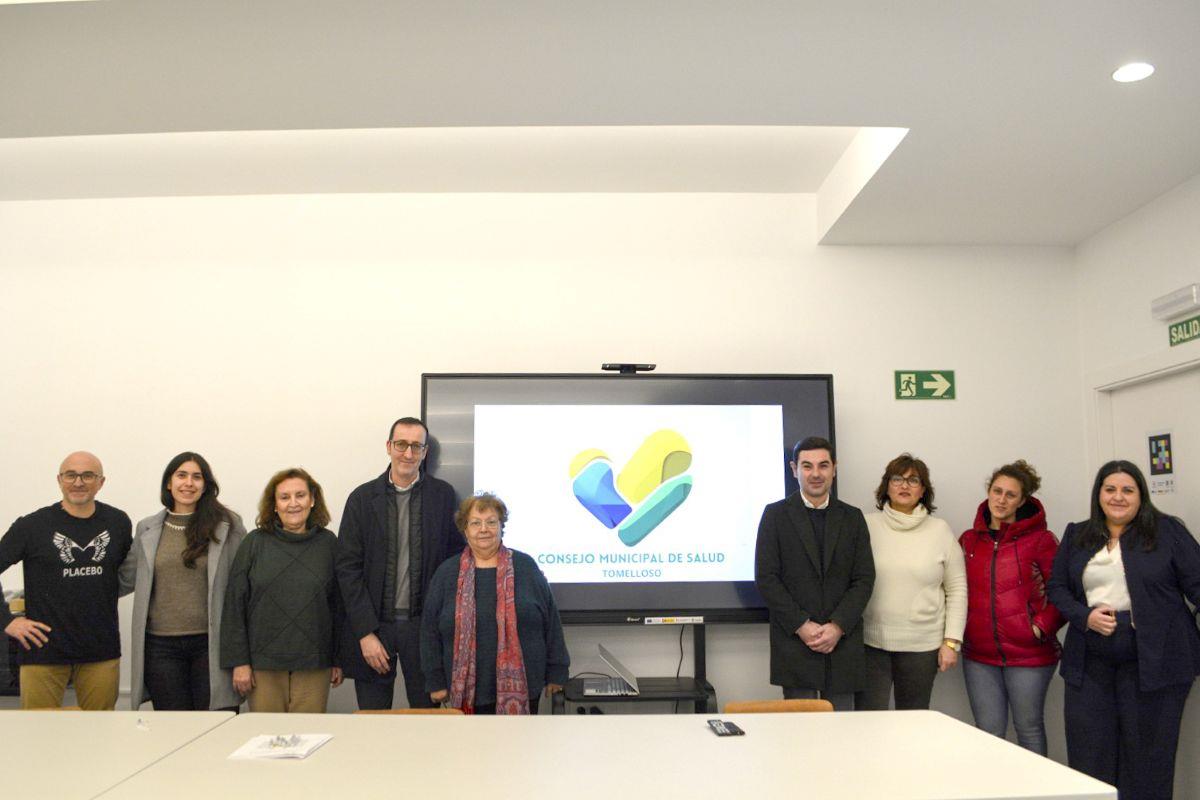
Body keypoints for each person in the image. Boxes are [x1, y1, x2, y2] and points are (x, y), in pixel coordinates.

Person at [1048, 461, 1200, 800]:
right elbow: (1057, 587)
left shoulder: (1167, 532)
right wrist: (1084, 616)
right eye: (1110, 489)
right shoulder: (1077, 534)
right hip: (1090, 659)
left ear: (1141, 495)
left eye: (1128, 490)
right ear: (1099, 494)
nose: (1118, 497)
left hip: (1155, 660)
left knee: (1148, 760)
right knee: (1090, 755)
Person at [335, 416, 464, 710]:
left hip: (424, 629)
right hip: (374, 627)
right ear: (388, 446)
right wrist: (365, 633)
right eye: (401, 444)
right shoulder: (362, 498)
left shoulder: (443, 496)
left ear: (425, 452)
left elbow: (455, 562)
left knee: (426, 720)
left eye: (416, 446)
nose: (408, 453)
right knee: (374, 720)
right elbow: (347, 570)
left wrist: (441, 627)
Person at [0, 451, 133, 709]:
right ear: (59, 480)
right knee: (40, 730)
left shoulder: (118, 523)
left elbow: (128, 572)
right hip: (42, 651)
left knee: (100, 728)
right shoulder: (32, 526)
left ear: (101, 482)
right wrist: (7, 621)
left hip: (100, 651)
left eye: (88, 475)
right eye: (71, 475)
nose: (78, 482)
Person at [754, 436, 875, 711]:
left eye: (823, 465)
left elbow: (864, 579)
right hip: (795, 643)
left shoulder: (853, 518)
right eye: (807, 466)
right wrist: (802, 625)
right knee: (800, 731)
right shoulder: (775, 516)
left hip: (842, 643)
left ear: (835, 468)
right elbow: (767, 578)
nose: (816, 474)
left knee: (842, 730)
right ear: (794, 469)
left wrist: (838, 626)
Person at [421, 493, 569, 714]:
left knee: (520, 738)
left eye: (491, 522)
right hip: (466, 691)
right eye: (475, 523)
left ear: (501, 527)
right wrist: (435, 680)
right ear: (465, 529)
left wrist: (557, 670)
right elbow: (429, 630)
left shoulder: (526, 566)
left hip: (525, 688)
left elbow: (551, 622)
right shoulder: (447, 572)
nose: (484, 529)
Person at [122, 452, 247, 710]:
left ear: (206, 485)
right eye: (181, 475)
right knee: (174, 727)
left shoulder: (228, 525)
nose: (188, 483)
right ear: (169, 483)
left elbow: (243, 587)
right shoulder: (147, 528)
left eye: (196, 477)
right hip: (161, 648)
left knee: (217, 724)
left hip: (211, 644)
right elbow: (125, 578)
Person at [959, 460, 1065, 755]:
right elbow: (954, 590)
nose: (1002, 500)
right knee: (988, 733)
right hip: (979, 656)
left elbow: (1063, 592)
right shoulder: (969, 540)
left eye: (1010, 494)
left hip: (1029, 655)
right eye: (997, 491)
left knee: (1028, 729)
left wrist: (1039, 628)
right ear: (988, 492)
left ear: (1022, 500)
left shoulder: (1041, 540)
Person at [221, 468, 342, 712]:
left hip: (315, 664)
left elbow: (339, 607)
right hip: (262, 666)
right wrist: (239, 662)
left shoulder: (329, 544)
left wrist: (339, 659)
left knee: (308, 733)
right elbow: (234, 605)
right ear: (274, 505)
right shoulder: (254, 543)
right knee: (267, 734)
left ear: (312, 500)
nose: (293, 503)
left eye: (300, 495)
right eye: (284, 497)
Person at [856, 453, 966, 710]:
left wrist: (951, 642)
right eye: (897, 479)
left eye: (913, 480)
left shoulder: (940, 531)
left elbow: (957, 589)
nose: (904, 486)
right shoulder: (865, 525)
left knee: (913, 722)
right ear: (887, 486)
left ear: (923, 490)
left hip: (922, 647)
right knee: (868, 721)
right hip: (870, 644)